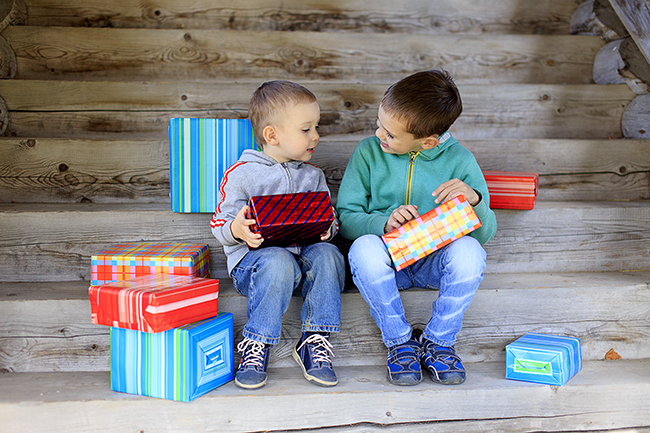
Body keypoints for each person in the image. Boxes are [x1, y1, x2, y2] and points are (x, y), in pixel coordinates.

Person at [336, 70, 497, 386]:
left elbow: (484, 234)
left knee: (470, 251)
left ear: (428, 142)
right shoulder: (368, 153)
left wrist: (474, 200)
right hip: (388, 263)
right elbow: (346, 217)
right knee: (362, 249)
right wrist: (382, 221)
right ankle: (399, 342)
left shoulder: (460, 161)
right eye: (380, 124)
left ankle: (439, 342)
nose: (380, 135)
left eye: (391, 134)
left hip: (433, 263)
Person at [210, 80, 345, 389]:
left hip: (303, 262)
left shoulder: (313, 176)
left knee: (329, 253)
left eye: (316, 127)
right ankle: (256, 344)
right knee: (277, 259)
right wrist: (237, 229)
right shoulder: (242, 173)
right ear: (272, 135)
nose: (316, 136)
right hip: (256, 267)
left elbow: (329, 219)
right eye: (306, 129)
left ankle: (315, 339)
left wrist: (328, 228)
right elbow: (220, 223)